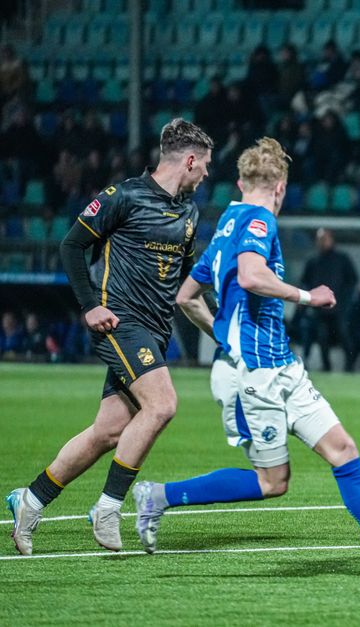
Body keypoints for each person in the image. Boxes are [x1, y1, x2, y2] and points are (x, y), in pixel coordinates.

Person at [147, 137, 360, 582]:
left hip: (281, 366)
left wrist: (224, 335)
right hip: (256, 375)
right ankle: (160, 496)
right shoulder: (258, 221)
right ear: (281, 186)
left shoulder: (228, 223)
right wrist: (307, 297)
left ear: (240, 180)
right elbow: (250, 276)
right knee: (273, 483)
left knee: (343, 449)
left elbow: (187, 297)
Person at [6, 119, 210, 555]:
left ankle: (31, 500)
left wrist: (223, 331)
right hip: (120, 322)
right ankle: (108, 507)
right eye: (205, 165)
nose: (207, 175)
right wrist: (89, 305)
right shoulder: (124, 196)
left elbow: (189, 287)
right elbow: (71, 245)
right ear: (189, 160)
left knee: (108, 432)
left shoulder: (190, 214)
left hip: (154, 332)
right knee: (163, 404)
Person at [298, 228, 358, 371]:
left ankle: (350, 366)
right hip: (320, 308)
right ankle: (326, 366)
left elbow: (352, 281)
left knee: (344, 336)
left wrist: (344, 300)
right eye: (320, 239)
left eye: (325, 239)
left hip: (339, 308)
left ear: (332, 239)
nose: (322, 242)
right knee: (322, 337)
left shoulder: (342, 259)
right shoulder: (313, 262)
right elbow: (305, 282)